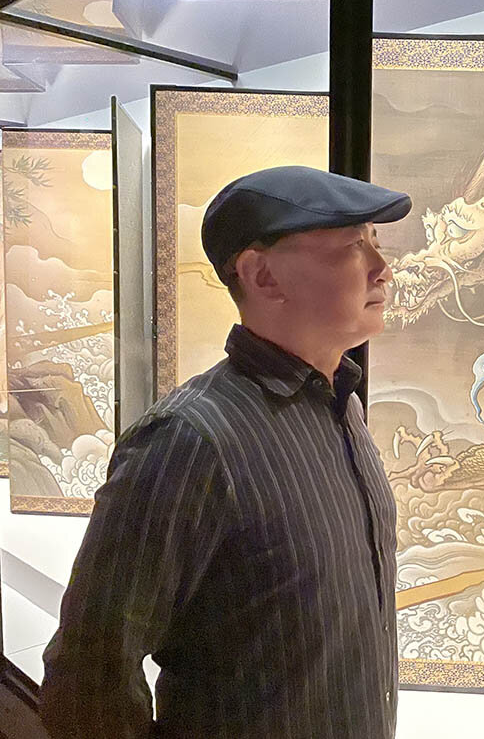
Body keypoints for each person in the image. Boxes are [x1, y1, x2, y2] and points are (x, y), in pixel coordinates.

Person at [39, 165, 410, 738]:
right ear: (262, 275)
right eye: (352, 245)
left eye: (376, 241)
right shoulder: (190, 441)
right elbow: (89, 675)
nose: (383, 267)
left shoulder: (342, 406)